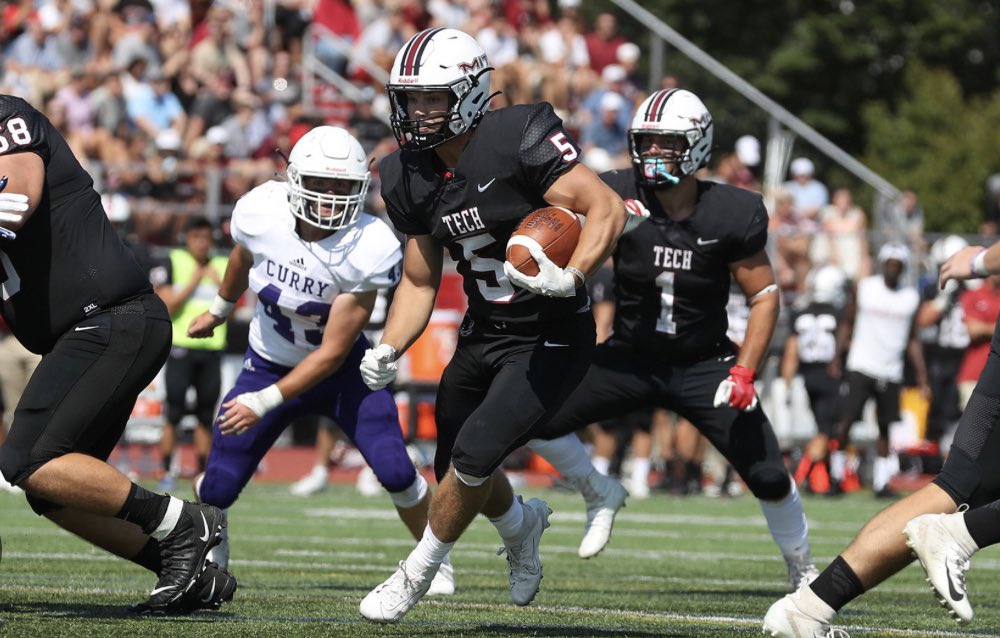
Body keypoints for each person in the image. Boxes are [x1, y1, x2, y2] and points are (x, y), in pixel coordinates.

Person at [356, 28, 629, 624]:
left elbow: (603, 207)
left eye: (432, 97)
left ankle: (416, 573)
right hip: (486, 331)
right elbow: (422, 280)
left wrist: (573, 276)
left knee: (477, 454)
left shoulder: (517, 137)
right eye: (410, 98)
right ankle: (520, 526)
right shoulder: (406, 172)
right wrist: (390, 343)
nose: (416, 112)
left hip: (552, 329)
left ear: (472, 93)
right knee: (452, 465)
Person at [531, 88, 818, 589]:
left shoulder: (731, 211)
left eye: (667, 142)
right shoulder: (616, 191)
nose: (654, 153)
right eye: (647, 142)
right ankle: (598, 488)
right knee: (528, 415)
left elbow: (766, 294)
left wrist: (746, 370)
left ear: (699, 145)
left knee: (769, 475)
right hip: (629, 356)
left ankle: (802, 564)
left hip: (703, 363)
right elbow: (550, 200)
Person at [185, 125, 453, 595]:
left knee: (395, 470)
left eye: (344, 187)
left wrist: (264, 401)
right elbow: (241, 258)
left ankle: (433, 563)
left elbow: (330, 354)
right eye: (322, 184)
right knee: (218, 485)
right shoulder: (261, 211)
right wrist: (219, 310)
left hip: (341, 373)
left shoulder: (370, 245)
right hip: (268, 362)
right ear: (292, 178)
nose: (331, 198)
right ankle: (213, 552)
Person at [0, 94, 232, 614]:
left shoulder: (7, 118)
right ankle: (184, 565)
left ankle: (185, 521)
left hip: (109, 317)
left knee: (29, 459)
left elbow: (16, 200)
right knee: (53, 490)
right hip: (93, 329)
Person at [762, 240, 1000, 637]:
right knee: (951, 489)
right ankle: (959, 534)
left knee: (954, 488)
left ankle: (808, 608)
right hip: (865, 369)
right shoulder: (868, 291)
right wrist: (979, 261)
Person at [827, 242, 929, 498]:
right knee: (846, 420)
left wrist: (922, 376)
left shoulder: (909, 298)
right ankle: (836, 476)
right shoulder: (866, 289)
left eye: (898, 265)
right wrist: (837, 356)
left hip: (890, 369)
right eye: (890, 264)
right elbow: (847, 323)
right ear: (882, 265)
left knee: (885, 427)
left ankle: (882, 481)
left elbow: (913, 338)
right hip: (861, 363)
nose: (893, 269)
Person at [153, 216, 228, 491]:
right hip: (181, 347)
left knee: (205, 414)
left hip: (212, 349)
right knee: (173, 411)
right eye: (196, 237)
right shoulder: (173, 261)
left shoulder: (221, 265)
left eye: (206, 237)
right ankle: (166, 468)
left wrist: (217, 280)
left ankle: (202, 472)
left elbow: (237, 301)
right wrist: (194, 280)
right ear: (187, 239)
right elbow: (167, 304)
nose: (202, 243)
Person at [783, 265, 849, 495]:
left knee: (826, 429)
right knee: (825, 431)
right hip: (829, 377)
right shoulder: (839, 314)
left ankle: (826, 478)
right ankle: (799, 475)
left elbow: (791, 352)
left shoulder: (800, 312)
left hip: (808, 376)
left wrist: (787, 382)